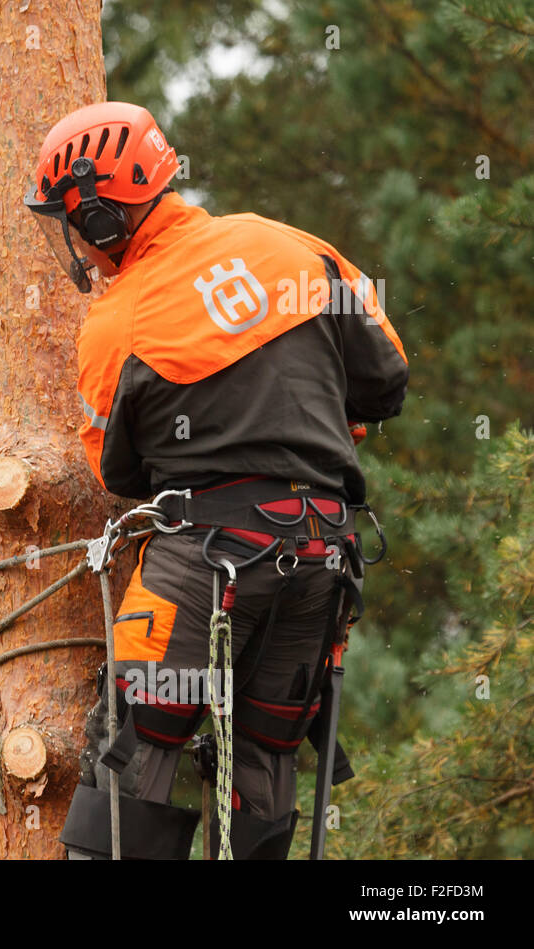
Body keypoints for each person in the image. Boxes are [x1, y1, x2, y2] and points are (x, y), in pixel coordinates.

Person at [24, 102, 409, 859]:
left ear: (102, 215)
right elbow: (386, 380)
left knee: (136, 741)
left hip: (204, 563)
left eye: (72, 222)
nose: (72, 242)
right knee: (264, 753)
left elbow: (120, 470)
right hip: (321, 560)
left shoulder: (117, 323)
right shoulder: (298, 249)